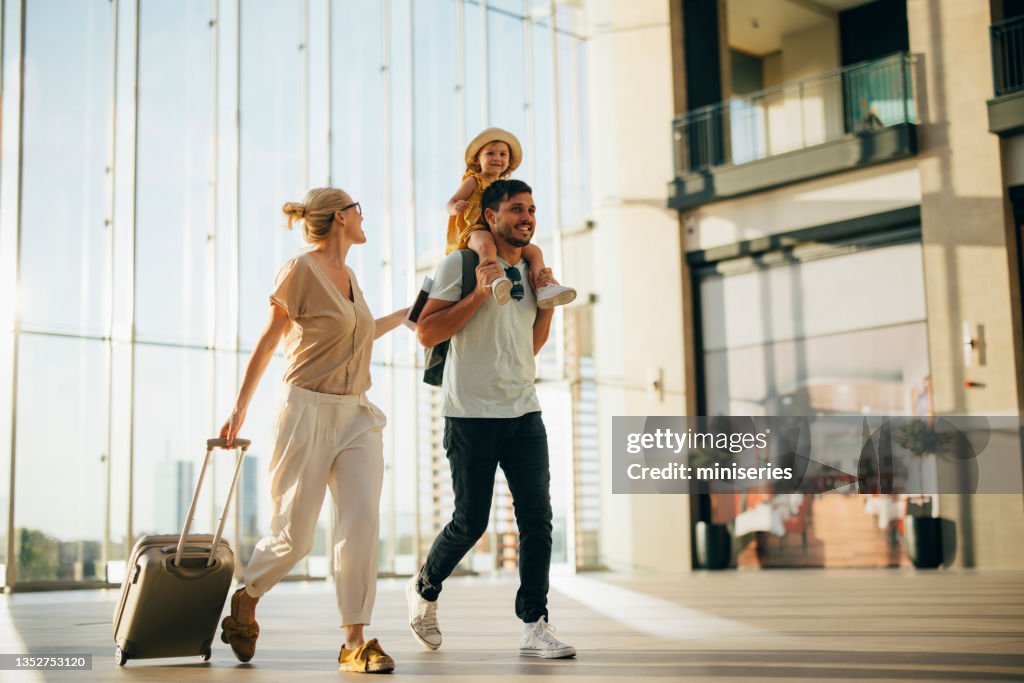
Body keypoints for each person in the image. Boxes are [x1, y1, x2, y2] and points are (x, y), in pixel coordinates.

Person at [217, 187, 408, 674]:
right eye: (359, 209)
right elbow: (268, 340)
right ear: (341, 217)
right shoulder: (300, 271)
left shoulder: (351, 277)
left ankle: (355, 642)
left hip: (357, 415)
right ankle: (248, 596)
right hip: (305, 410)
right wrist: (239, 408)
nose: (365, 217)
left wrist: (410, 313)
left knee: (361, 521)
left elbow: (359, 334)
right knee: (294, 536)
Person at [407, 178, 576, 659]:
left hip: (524, 410)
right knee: (470, 521)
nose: (527, 217)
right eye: (517, 209)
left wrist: (546, 307)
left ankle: (534, 623)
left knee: (537, 519)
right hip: (471, 414)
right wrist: (480, 295)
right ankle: (423, 589)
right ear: (491, 217)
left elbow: (530, 345)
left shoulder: (531, 269)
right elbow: (425, 332)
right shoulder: (460, 263)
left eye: (532, 210)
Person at [447, 127, 576, 309]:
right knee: (486, 245)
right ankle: (495, 279)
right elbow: (451, 201)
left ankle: (544, 285)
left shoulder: (506, 188)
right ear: (477, 159)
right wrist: (455, 207)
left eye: (503, 154)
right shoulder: (474, 181)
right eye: (490, 153)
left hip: (499, 232)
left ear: (508, 161)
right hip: (475, 229)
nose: (497, 158)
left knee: (534, 252)